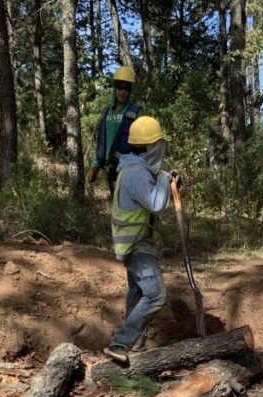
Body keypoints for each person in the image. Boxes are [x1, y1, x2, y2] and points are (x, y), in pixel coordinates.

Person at [104, 116, 178, 364]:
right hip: (137, 246)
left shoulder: (133, 170)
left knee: (137, 293)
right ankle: (120, 343)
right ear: (150, 147)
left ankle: (133, 346)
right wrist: (165, 179)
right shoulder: (136, 173)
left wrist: (165, 181)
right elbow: (157, 203)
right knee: (156, 294)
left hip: (133, 244)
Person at [88, 66, 142, 195]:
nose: (123, 92)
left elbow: (143, 144)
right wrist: (95, 166)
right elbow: (102, 142)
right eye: (119, 87)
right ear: (114, 88)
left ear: (130, 91)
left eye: (126, 88)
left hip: (127, 169)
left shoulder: (136, 112)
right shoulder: (107, 112)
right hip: (110, 168)